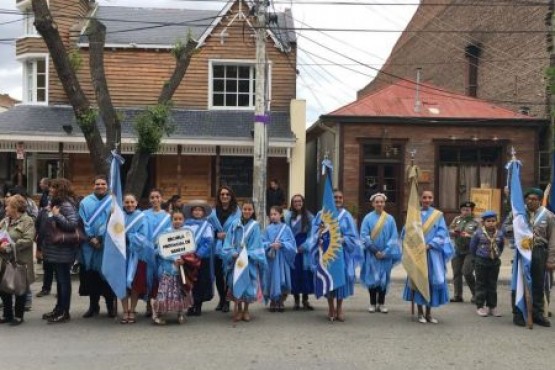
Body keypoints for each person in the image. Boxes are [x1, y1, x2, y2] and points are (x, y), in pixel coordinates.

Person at [503, 187, 555, 327]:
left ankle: (537, 313)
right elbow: (505, 228)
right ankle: (518, 313)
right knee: (519, 282)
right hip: (522, 251)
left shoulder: (548, 215)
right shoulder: (517, 214)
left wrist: (551, 259)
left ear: (539, 201)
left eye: (535, 199)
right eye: (529, 199)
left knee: (538, 283)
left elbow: (552, 239)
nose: (531, 202)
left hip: (539, 251)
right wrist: (517, 228)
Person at [402, 190, 454, 324]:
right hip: (417, 254)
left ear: (432, 199)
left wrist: (430, 245)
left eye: (429, 197)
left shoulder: (438, 215)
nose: (427, 199)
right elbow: (406, 232)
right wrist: (414, 246)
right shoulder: (414, 214)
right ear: (420, 199)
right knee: (419, 280)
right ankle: (420, 313)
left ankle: (429, 313)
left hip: (432, 254)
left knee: (431, 282)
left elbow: (442, 233)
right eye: (424, 197)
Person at [312, 189, 360, 322]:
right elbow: (314, 233)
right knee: (328, 279)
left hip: (342, 254)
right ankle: (330, 307)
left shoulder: (347, 216)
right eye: (335, 197)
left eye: (340, 197)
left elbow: (353, 236)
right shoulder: (322, 215)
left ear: (343, 199)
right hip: (327, 254)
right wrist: (320, 234)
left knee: (341, 281)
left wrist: (343, 239)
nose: (337, 200)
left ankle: (339, 308)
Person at [39, 178, 80, 324]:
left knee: (64, 281)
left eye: (53, 187)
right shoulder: (55, 204)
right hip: (55, 249)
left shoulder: (66, 205)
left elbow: (72, 224)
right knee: (60, 281)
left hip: (63, 249)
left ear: (60, 189)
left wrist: (57, 215)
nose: (50, 190)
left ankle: (64, 311)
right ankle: (58, 308)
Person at [152, 208, 200, 325]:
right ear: (171, 220)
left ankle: (180, 313)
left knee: (181, 292)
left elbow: (192, 249)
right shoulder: (165, 233)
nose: (177, 221)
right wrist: (174, 259)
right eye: (175, 219)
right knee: (165, 292)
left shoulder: (187, 233)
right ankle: (157, 314)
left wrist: (184, 259)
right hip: (168, 269)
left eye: (180, 219)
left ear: (184, 220)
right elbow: (159, 250)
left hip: (182, 269)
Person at [222, 200, 267, 322]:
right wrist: (232, 253)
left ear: (253, 211)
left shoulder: (255, 226)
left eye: (249, 209)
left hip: (248, 260)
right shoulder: (234, 224)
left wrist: (247, 254)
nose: (247, 211)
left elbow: (257, 244)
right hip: (235, 259)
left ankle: (246, 309)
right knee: (235, 281)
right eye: (245, 209)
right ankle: (239, 308)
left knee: (248, 284)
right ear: (242, 210)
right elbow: (228, 241)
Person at [78, 175, 116, 318]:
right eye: (97, 184)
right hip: (90, 245)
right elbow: (82, 221)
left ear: (107, 186)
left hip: (106, 245)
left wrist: (101, 237)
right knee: (91, 277)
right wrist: (91, 238)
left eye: (103, 184)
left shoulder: (112, 202)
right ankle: (93, 306)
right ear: (93, 185)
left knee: (107, 277)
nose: (100, 186)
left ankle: (110, 306)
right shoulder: (85, 202)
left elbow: (114, 222)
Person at [360, 193, 401, 313]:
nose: (379, 204)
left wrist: (385, 251)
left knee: (384, 279)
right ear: (373, 204)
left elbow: (394, 237)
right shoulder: (367, 218)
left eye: (381, 202)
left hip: (385, 255)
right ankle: (372, 303)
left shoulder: (390, 219)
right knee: (372, 278)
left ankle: (381, 303)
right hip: (372, 254)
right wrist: (374, 250)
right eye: (377, 202)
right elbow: (364, 235)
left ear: (384, 203)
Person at [0, 194, 36, 325]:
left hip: (19, 260)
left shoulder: (28, 221)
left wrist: (10, 246)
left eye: (7, 206)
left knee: (20, 288)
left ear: (15, 208)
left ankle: (19, 316)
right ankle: (7, 314)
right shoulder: (4, 221)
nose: (6, 209)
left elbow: (28, 240)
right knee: (4, 288)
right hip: (4, 260)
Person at [208, 185, 241, 313]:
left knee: (228, 274)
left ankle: (227, 301)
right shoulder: (213, 211)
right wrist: (216, 234)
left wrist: (228, 235)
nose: (225, 196)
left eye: (227, 194)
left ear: (231, 196)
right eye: (222, 194)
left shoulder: (236, 211)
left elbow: (239, 228)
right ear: (219, 196)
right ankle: (221, 298)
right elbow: (208, 228)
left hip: (230, 246)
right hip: (216, 246)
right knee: (218, 274)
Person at [183, 200, 214, 317]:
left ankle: (198, 305)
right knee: (189, 282)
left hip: (201, 258)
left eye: (199, 210)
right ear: (191, 212)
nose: (197, 212)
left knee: (200, 281)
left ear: (203, 212)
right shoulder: (185, 225)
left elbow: (208, 241)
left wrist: (198, 254)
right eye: (195, 210)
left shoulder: (207, 226)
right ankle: (190, 305)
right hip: (188, 258)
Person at [120, 193, 148, 324]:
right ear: (123, 203)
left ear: (136, 203)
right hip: (121, 254)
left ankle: (132, 309)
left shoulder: (141, 217)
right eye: (127, 202)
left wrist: (129, 237)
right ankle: (125, 310)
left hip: (135, 254)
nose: (129, 204)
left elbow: (143, 236)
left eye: (132, 202)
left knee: (134, 283)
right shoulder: (119, 216)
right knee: (121, 283)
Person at [143, 188, 171, 317]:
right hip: (147, 251)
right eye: (152, 197)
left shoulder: (167, 217)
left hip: (162, 252)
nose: (155, 200)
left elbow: (170, 234)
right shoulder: (144, 215)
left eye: (157, 197)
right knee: (148, 278)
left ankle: (160, 304)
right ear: (149, 200)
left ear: (162, 198)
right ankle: (148, 303)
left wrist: (160, 248)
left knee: (160, 278)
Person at [470, 210, 504, 317]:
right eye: (488, 221)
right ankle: (480, 306)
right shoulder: (478, 233)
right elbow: (473, 247)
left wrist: (496, 255)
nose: (491, 223)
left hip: (494, 262)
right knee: (481, 284)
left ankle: (492, 306)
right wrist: (476, 259)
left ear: (496, 222)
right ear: (483, 222)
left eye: (493, 221)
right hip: (481, 261)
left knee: (492, 284)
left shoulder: (500, 233)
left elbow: (501, 246)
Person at [262, 205, 296, 312]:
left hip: (282, 259)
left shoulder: (286, 229)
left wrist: (282, 245)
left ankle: (280, 300)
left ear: (281, 215)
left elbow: (292, 244)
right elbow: (262, 242)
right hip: (271, 259)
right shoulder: (267, 229)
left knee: (282, 277)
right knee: (271, 278)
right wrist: (270, 245)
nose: (273, 216)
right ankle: (272, 299)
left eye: (275, 214)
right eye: (271, 214)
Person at [284, 194, 315, 310]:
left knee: (305, 273)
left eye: (300, 201)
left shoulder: (310, 217)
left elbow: (313, 234)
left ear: (303, 202)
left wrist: (306, 245)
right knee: (295, 273)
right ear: (292, 203)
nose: (298, 203)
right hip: (292, 247)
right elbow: (285, 232)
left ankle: (305, 299)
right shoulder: (288, 217)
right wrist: (290, 246)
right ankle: (296, 300)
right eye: (295, 201)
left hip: (305, 247)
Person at [449, 201, 479, 303]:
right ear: (460, 210)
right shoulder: (457, 219)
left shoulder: (476, 221)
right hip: (457, 249)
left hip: (470, 251)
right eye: (463, 210)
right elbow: (449, 230)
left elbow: (480, 235)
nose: (465, 212)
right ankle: (458, 295)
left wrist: (470, 235)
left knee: (467, 272)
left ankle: (476, 294)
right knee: (456, 273)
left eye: (468, 210)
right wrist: (454, 232)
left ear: (471, 210)